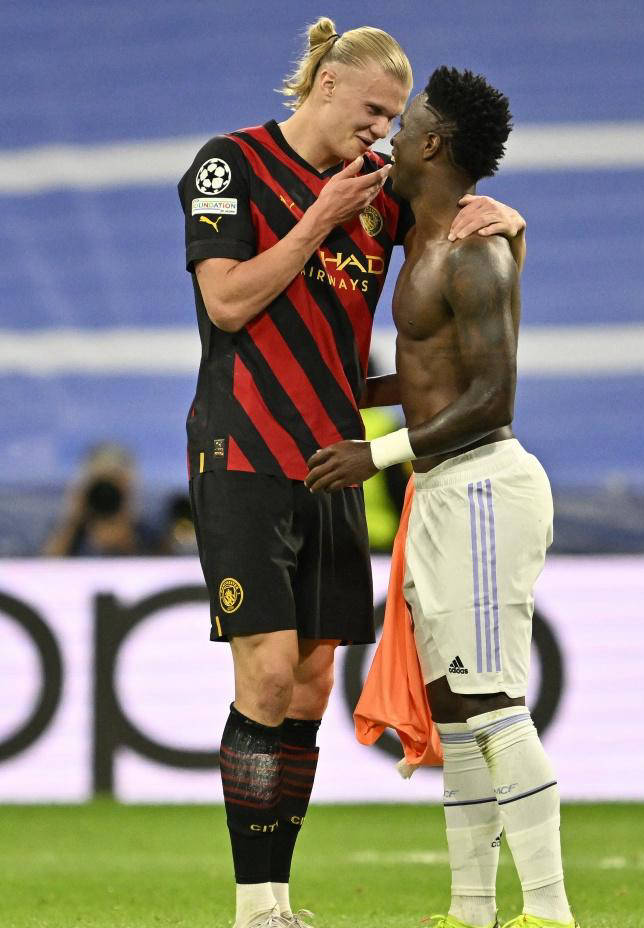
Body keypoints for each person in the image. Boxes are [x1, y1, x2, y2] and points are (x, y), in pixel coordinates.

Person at [178, 17, 526, 928]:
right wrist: (318, 220)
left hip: (333, 460)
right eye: (372, 111)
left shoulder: (377, 192)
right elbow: (227, 302)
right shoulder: (232, 165)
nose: (381, 132)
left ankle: (280, 898)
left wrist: (509, 225)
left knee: (312, 682)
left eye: (393, 120)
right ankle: (254, 906)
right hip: (244, 449)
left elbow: (451, 244)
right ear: (325, 84)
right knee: (264, 676)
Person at [306, 68, 578, 928]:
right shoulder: (428, 241)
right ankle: (470, 911)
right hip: (442, 488)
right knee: (456, 713)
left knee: (493, 704)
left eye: (407, 119)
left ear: (432, 143)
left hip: (484, 486)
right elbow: (434, 374)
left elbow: (494, 397)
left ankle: (549, 910)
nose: (391, 131)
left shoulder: (474, 251)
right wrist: (354, 392)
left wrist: (376, 451)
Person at [42, 442, 153, 556]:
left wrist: (127, 537)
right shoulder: (69, 532)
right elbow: (47, 561)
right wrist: (74, 519)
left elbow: (153, 561)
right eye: (101, 483)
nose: (106, 493)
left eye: (114, 481)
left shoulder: (144, 534)